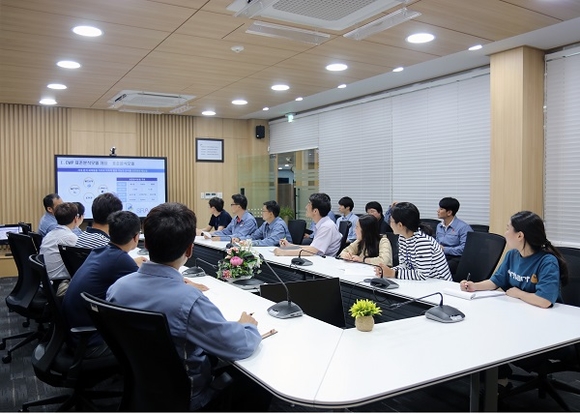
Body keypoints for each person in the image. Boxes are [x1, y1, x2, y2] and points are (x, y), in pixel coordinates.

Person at [107, 202, 269, 411]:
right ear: (190, 249)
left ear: (146, 244)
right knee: (258, 383)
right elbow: (238, 346)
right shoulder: (188, 301)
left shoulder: (117, 288)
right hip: (188, 397)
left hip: (141, 388)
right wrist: (247, 326)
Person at [62, 210, 146, 357]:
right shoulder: (121, 260)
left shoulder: (100, 251)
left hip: (74, 333)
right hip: (91, 341)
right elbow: (148, 289)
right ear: (136, 237)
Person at [461, 211, 568, 308]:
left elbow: (545, 301)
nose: (505, 233)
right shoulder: (512, 255)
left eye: (508, 229)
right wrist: (474, 286)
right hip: (520, 308)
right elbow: (495, 281)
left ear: (520, 236)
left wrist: (519, 294)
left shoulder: (547, 262)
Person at [375, 202, 452, 281]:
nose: (390, 224)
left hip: (440, 283)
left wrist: (393, 273)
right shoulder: (402, 237)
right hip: (422, 282)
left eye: (391, 221)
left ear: (400, 225)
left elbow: (422, 275)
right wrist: (387, 271)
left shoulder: (423, 241)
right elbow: (405, 265)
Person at [274, 193, 342, 257]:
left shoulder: (327, 226)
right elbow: (312, 248)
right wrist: (290, 246)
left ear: (315, 211)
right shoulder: (323, 224)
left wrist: (283, 252)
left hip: (324, 262)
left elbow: (311, 251)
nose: (306, 207)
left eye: (309, 204)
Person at [39, 202, 81, 285]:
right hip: (59, 283)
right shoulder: (69, 237)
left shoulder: (50, 234)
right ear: (76, 219)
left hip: (47, 282)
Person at [435, 197, 473, 275]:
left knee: (441, 268)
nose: (438, 211)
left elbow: (464, 249)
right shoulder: (439, 226)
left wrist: (444, 249)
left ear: (449, 212)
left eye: (441, 209)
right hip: (441, 256)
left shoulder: (463, 228)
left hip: (456, 258)